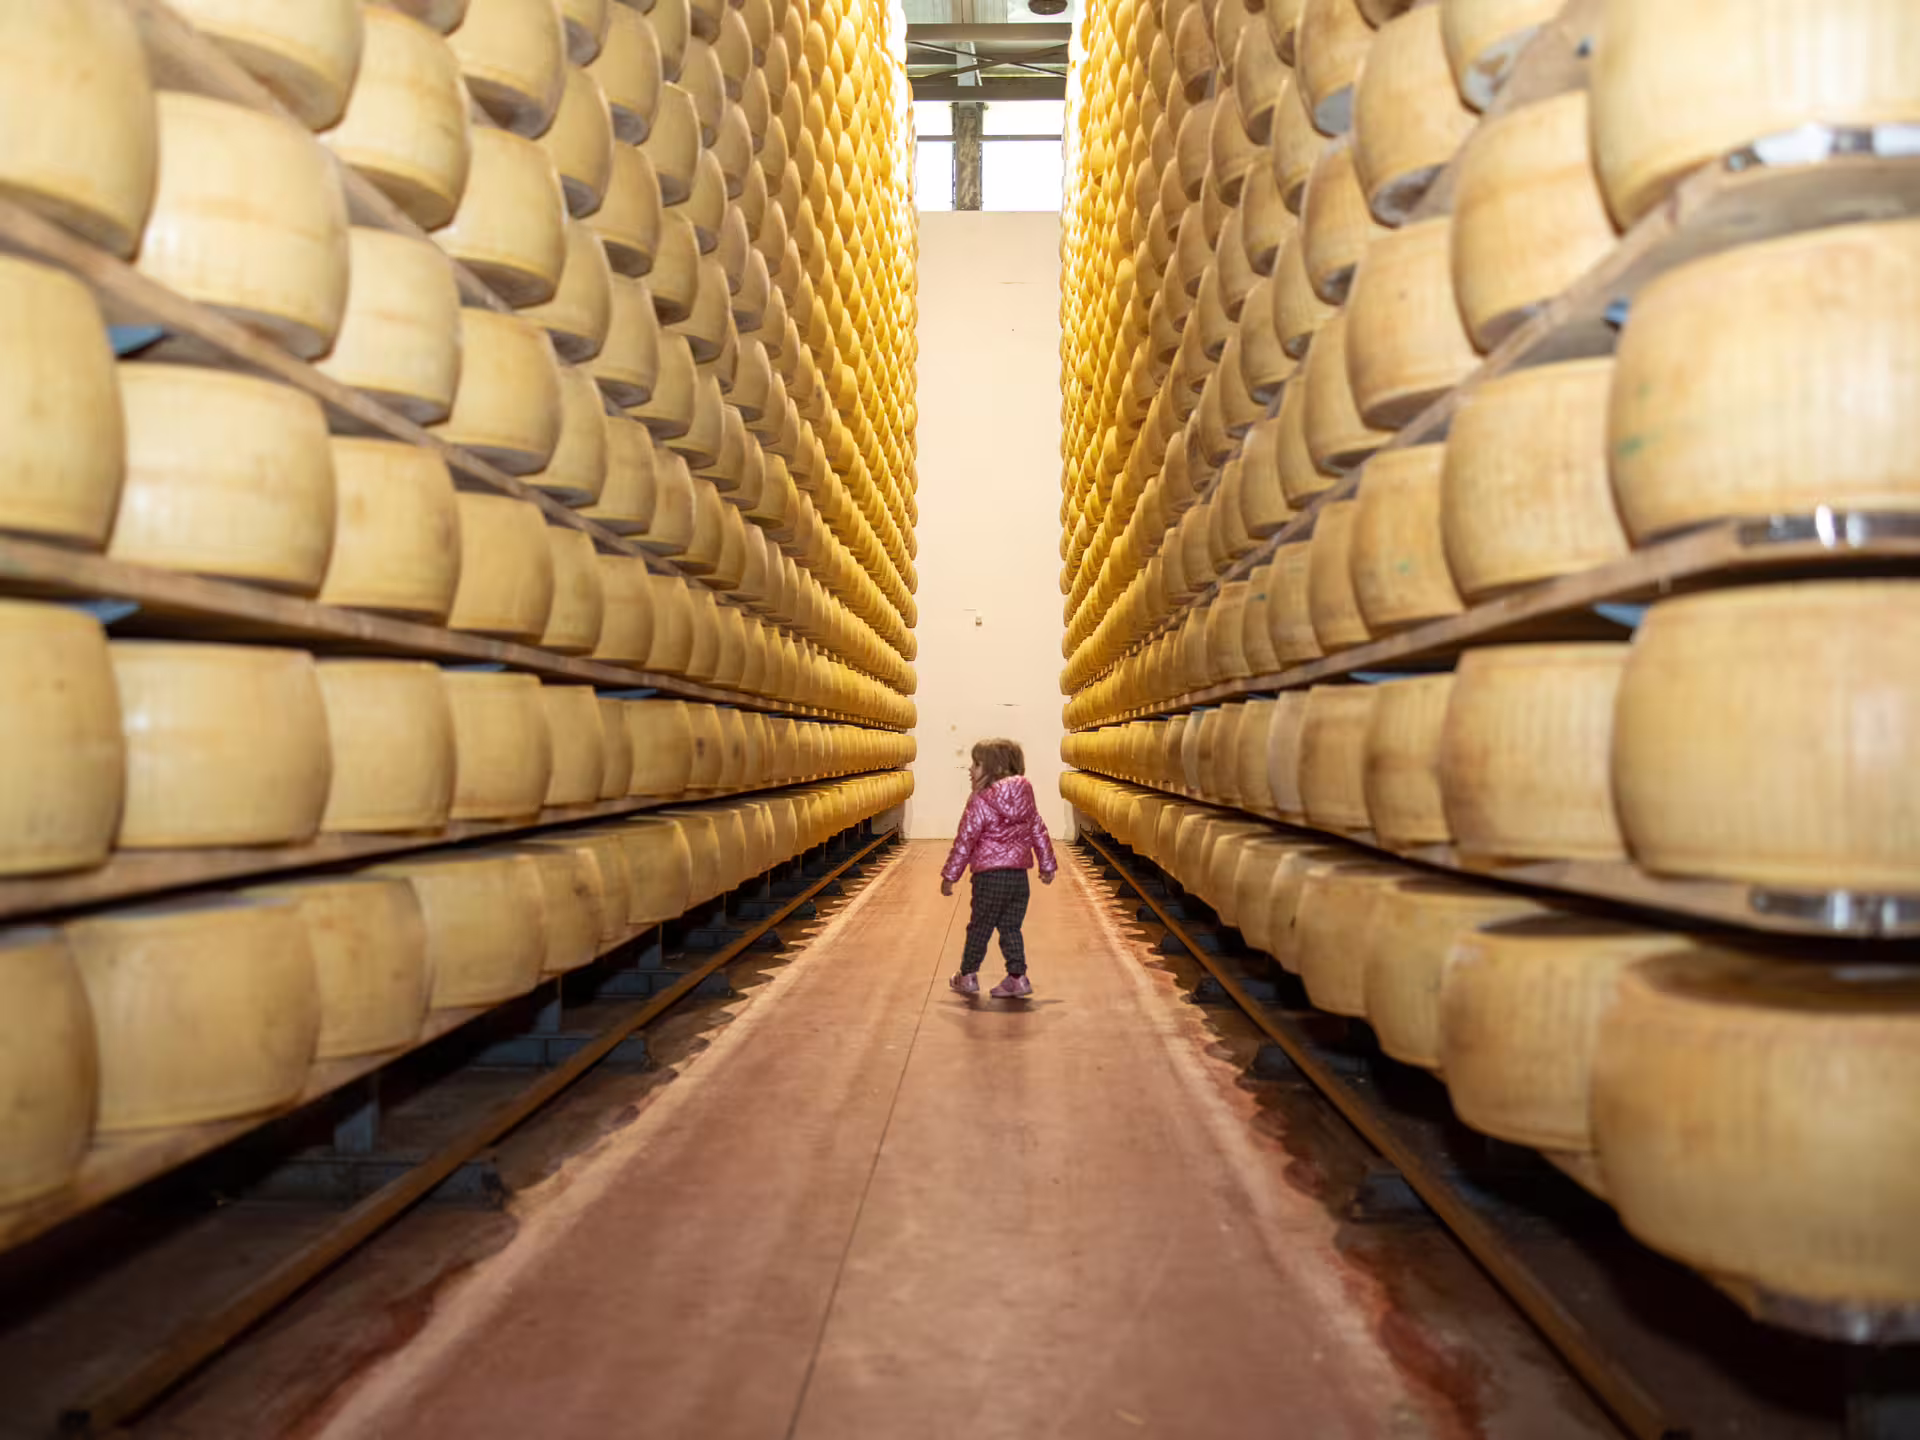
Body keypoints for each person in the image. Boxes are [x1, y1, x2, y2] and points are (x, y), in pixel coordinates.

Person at [941, 738, 1057, 999]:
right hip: (1018, 878)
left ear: (995, 768)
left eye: (977, 764)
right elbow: (1039, 831)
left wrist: (950, 875)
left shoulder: (980, 801)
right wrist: (1047, 865)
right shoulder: (1026, 798)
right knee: (1010, 927)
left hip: (989, 877)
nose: (970, 769)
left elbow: (965, 840)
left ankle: (967, 975)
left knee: (980, 927)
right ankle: (1018, 978)